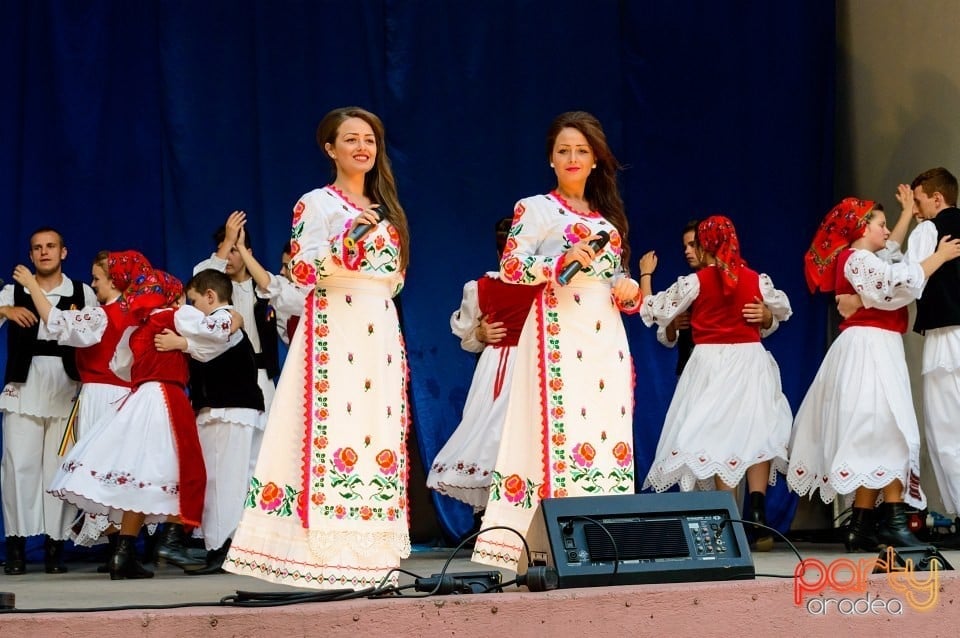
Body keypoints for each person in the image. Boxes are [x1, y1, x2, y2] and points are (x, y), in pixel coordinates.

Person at [225, 106, 411, 590]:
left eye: (368, 139)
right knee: (334, 432)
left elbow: (395, 280)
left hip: (379, 333)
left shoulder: (386, 208)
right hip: (336, 330)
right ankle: (320, 555)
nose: (361, 148)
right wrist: (349, 239)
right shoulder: (317, 204)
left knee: (376, 434)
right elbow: (303, 274)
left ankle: (374, 555)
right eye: (350, 139)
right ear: (330, 149)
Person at [472, 111, 653, 570]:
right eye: (563, 150)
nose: (573, 158)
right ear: (550, 159)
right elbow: (513, 268)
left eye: (582, 151)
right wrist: (557, 263)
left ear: (596, 160)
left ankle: (603, 540)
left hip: (604, 333)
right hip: (557, 327)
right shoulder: (534, 208)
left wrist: (627, 289)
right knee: (556, 429)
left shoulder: (608, 220)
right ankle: (543, 545)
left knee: (605, 429)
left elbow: (616, 280)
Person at [790, 195, 960, 551]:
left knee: (878, 428)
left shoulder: (864, 259)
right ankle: (895, 520)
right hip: (869, 348)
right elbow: (897, 285)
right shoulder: (856, 259)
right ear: (861, 228)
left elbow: (892, 268)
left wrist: (863, 298)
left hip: (878, 344)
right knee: (888, 428)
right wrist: (938, 258)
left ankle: (862, 523)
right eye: (880, 224)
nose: (886, 230)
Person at [640, 215, 793, 551]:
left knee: (719, 438)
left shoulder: (696, 282)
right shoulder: (756, 279)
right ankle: (755, 508)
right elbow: (783, 307)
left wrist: (645, 279)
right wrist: (767, 315)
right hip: (751, 360)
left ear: (706, 245)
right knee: (754, 433)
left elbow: (653, 309)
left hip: (711, 363)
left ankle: (729, 521)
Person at [49, 269, 206, 579]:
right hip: (167, 396)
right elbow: (213, 329)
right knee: (181, 466)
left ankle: (123, 554)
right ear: (172, 296)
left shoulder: (134, 329)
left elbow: (119, 367)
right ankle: (172, 540)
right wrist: (186, 342)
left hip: (140, 396)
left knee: (139, 474)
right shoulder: (177, 316)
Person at [13, 250, 152, 564]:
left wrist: (31, 286)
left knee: (99, 474)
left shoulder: (104, 314)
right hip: (126, 397)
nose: (93, 285)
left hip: (102, 397)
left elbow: (56, 320)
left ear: (115, 281)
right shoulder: (136, 313)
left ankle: (120, 549)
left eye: (97, 279)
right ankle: (122, 548)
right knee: (118, 472)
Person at [427, 217, 544, 511]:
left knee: (526, 434)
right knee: (491, 431)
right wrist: (480, 332)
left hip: (535, 366)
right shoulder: (483, 286)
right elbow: (468, 337)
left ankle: (527, 509)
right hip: (499, 367)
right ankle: (488, 515)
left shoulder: (546, 285)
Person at [0, 227, 97, 575]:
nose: (44, 252)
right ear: (30, 255)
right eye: (37, 248)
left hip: (65, 384)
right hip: (25, 386)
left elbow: (96, 335)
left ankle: (56, 546)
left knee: (58, 469)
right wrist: (6, 312)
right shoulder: (14, 291)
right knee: (18, 466)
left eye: (50, 246)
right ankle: (17, 546)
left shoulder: (82, 292)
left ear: (64, 252)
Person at [154, 268, 263, 575]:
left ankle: (221, 549)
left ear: (211, 297)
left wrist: (182, 344)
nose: (190, 309)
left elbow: (211, 347)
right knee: (231, 480)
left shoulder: (225, 321)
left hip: (226, 411)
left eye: (193, 301)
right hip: (231, 411)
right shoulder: (228, 321)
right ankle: (229, 547)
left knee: (221, 481)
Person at [900, 168, 960, 521]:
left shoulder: (928, 231)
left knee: (948, 429)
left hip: (947, 336)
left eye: (919, 200)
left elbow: (910, 281)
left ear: (937, 198)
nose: (917, 208)